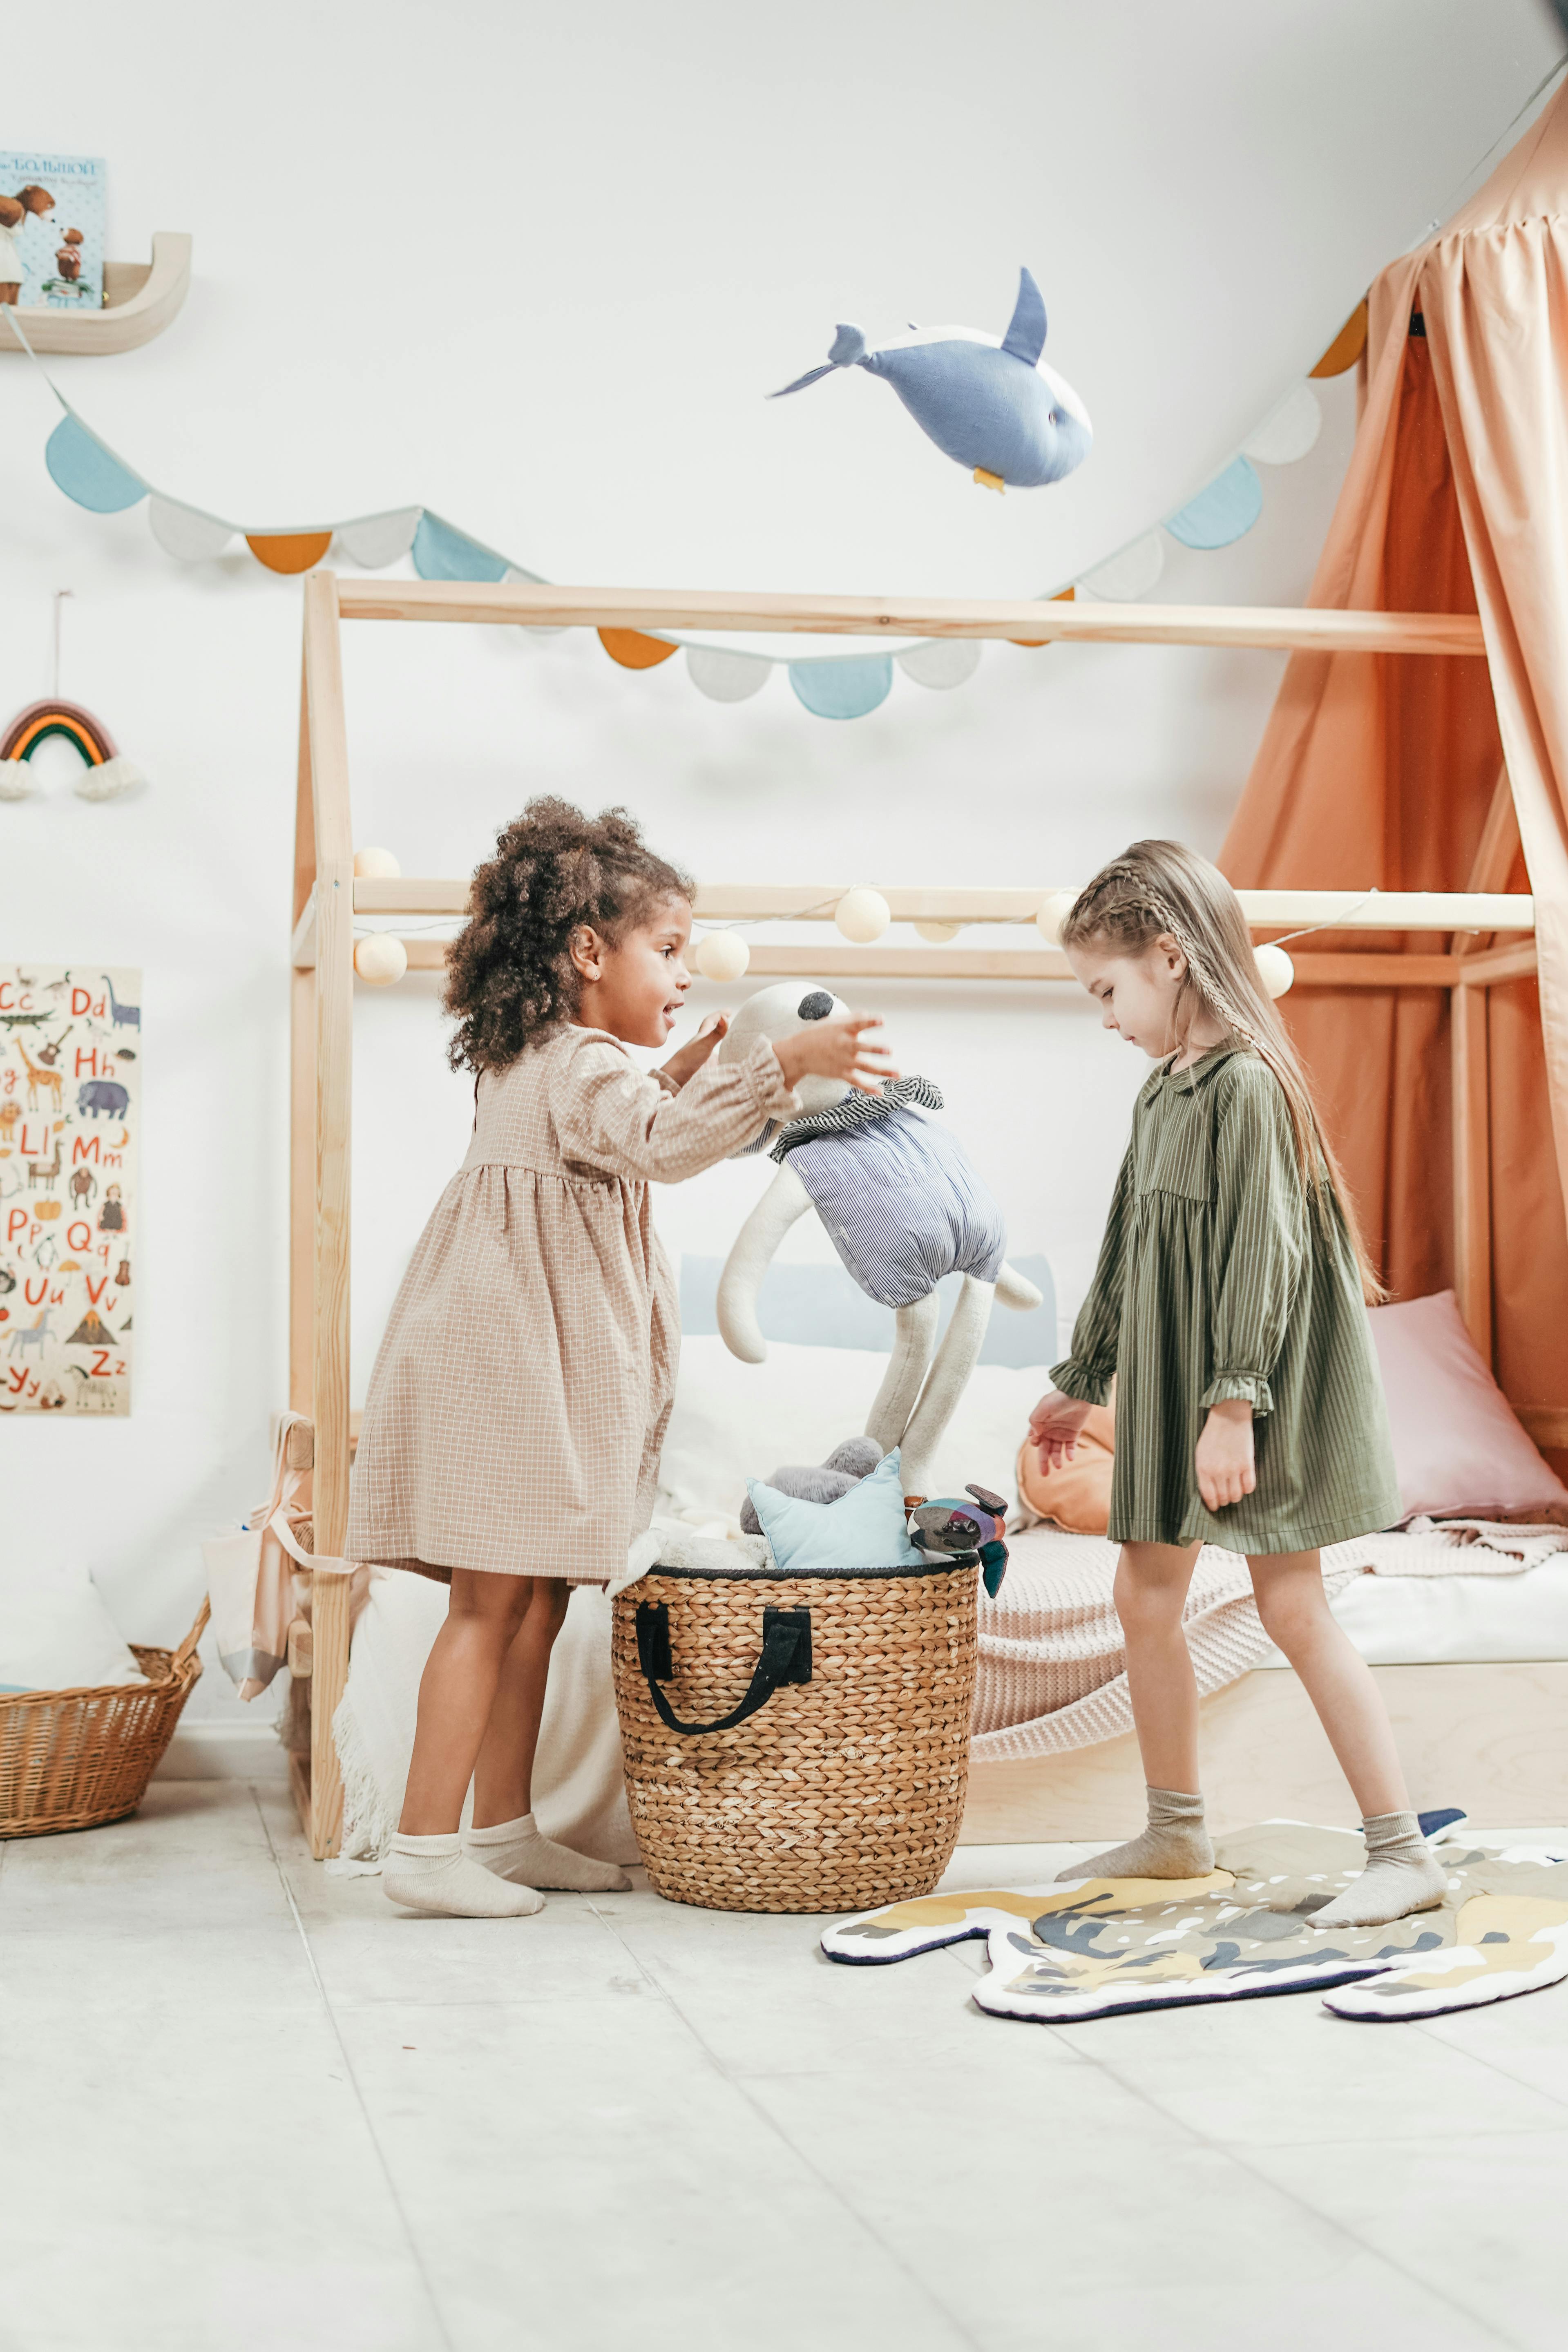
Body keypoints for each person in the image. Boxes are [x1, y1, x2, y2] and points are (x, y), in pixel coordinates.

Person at [347, 798, 893, 1918]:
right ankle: (421, 1848)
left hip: (521, 1353)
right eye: (670, 949)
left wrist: (693, 1070)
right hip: (510, 1361)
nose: (686, 974)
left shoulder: (553, 1057)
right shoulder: (580, 1062)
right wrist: (774, 1063)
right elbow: (655, 1143)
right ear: (589, 952)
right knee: (490, 1606)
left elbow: (633, 1122)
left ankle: (501, 1828)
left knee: (537, 1600)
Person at [1027, 840, 1445, 1930]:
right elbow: (1128, 1244)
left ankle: (1401, 1851)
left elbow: (1264, 1256)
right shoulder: (1164, 1092)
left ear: (1169, 958)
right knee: (1144, 1593)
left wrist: (1230, 1411)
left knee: (1292, 1604)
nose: (1105, 1016)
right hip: (1178, 1378)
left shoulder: (1247, 1088)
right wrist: (1080, 1380)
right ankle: (1176, 1827)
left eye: (1108, 990)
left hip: (1242, 1387)